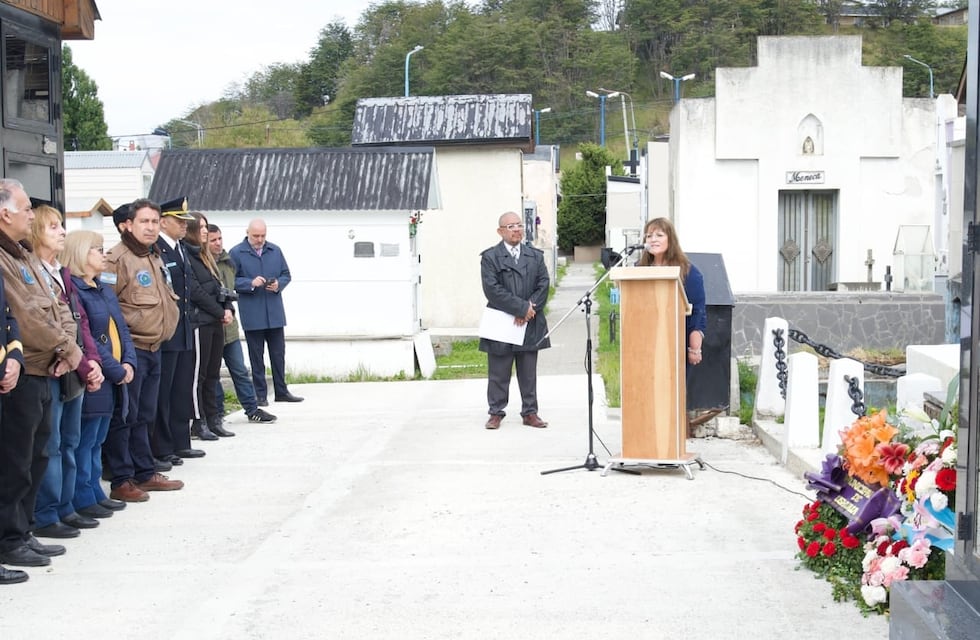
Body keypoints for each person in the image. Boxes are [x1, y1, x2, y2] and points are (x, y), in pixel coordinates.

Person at [0, 179, 80, 569]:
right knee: (15, 461)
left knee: (37, 456)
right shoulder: (3, 258)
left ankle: (23, 531)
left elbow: (56, 303)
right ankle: (9, 539)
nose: (31, 216)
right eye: (26, 209)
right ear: (5, 213)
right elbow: (24, 315)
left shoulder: (24, 254)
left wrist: (69, 347)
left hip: (46, 366)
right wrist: (66, 348)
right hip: (23, 370)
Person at [30, 205, 105, 538]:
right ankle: (46, 514)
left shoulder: (62, 273)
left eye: (62, 226)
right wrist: (69, 355)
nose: (62, 232)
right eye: (53, 227)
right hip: (49, 366)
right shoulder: (30, 269)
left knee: (71, 441)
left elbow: (74, 322)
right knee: (53, 444)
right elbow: (39, 321)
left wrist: (85, 362)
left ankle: (66, 505)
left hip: (71, 365)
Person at [103, 199, 184, 501]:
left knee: (145, 414)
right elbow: (106, 309)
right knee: (126, 415)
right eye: (144, 222)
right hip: (131, 349)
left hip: (155, 346)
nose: (150, 227)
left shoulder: (154, 255)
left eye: (154, 221)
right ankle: (122, 478)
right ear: (129, 224)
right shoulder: (116, 259)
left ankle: (144, 471)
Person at [64, 230, 136, 519]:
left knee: (98, 438)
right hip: (98, 375)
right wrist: (116, 369)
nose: (104, 255)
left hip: (116, 372)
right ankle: (83, 495)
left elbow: (120, 328)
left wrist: (129, 361)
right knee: (85, 439)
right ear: (81, 252)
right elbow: (90, 338)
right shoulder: (76, 290)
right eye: (98, 249)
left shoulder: (103, 288)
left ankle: (94, 489)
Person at [479, 212, 551, 430]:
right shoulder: (491, 257)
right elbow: (492, 290)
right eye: (511, 226)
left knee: (528, 371)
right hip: (502, 322)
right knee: (499, 371)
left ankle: (530, 412)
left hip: (529, 322)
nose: (517, 229)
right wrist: (520, 309)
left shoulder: (535, 256)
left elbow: (543, 284)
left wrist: (530, 309)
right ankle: (495, 413)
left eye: (519, 225)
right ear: (500, 231)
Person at [155, 197, 214, 457]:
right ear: (164, 221)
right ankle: (164, 446)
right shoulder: (157, 248)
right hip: (168, 330)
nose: (183, 226)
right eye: (179, 221)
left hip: (185, 328)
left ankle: (181, 442)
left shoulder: (179, 248)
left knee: (181, 388)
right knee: (164, 392)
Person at [208, 224, 276, 424]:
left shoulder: (228, 261)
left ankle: (252, 409)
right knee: (212, 375)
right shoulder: (201, 263)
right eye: (213, 240)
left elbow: (230, 288)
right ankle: (217, 412)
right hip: (210, 326)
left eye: (219, 238)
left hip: (229, 326)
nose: (218, 243)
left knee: (239, 370)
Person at [231, 218, 303, 405]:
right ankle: (260, 395)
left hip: (274, 312)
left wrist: (279, 284)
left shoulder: (275, 250)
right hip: (252, 313)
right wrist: (249, 283)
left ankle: (281, 390)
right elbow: (229, 280)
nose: (260, 239)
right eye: (256, 236)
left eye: (263, 235)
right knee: (257, 356)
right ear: (247, 233)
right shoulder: (237, 253)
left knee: (278, 354)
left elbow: (286, 274)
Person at [184, 213, 235, 438]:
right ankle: (199, 420)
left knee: (213, 373)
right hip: (200, 322)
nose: (205, 231)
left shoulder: (206, 256)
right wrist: (218, 311)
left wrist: (228, 308)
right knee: (200, 375)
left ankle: (214, 418)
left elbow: (218, 287)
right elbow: (196, 291)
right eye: (201, 227)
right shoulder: (187, 255)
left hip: (215, 321)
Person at [636, 217, 707, 368]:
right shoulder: (639, 270)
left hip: (676, 343)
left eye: (659, 235)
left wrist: (695, 348)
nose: (653, 240)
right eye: (649, 236)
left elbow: (697, 312)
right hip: (643, 342)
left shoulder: (688, 272)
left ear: (671, 239)